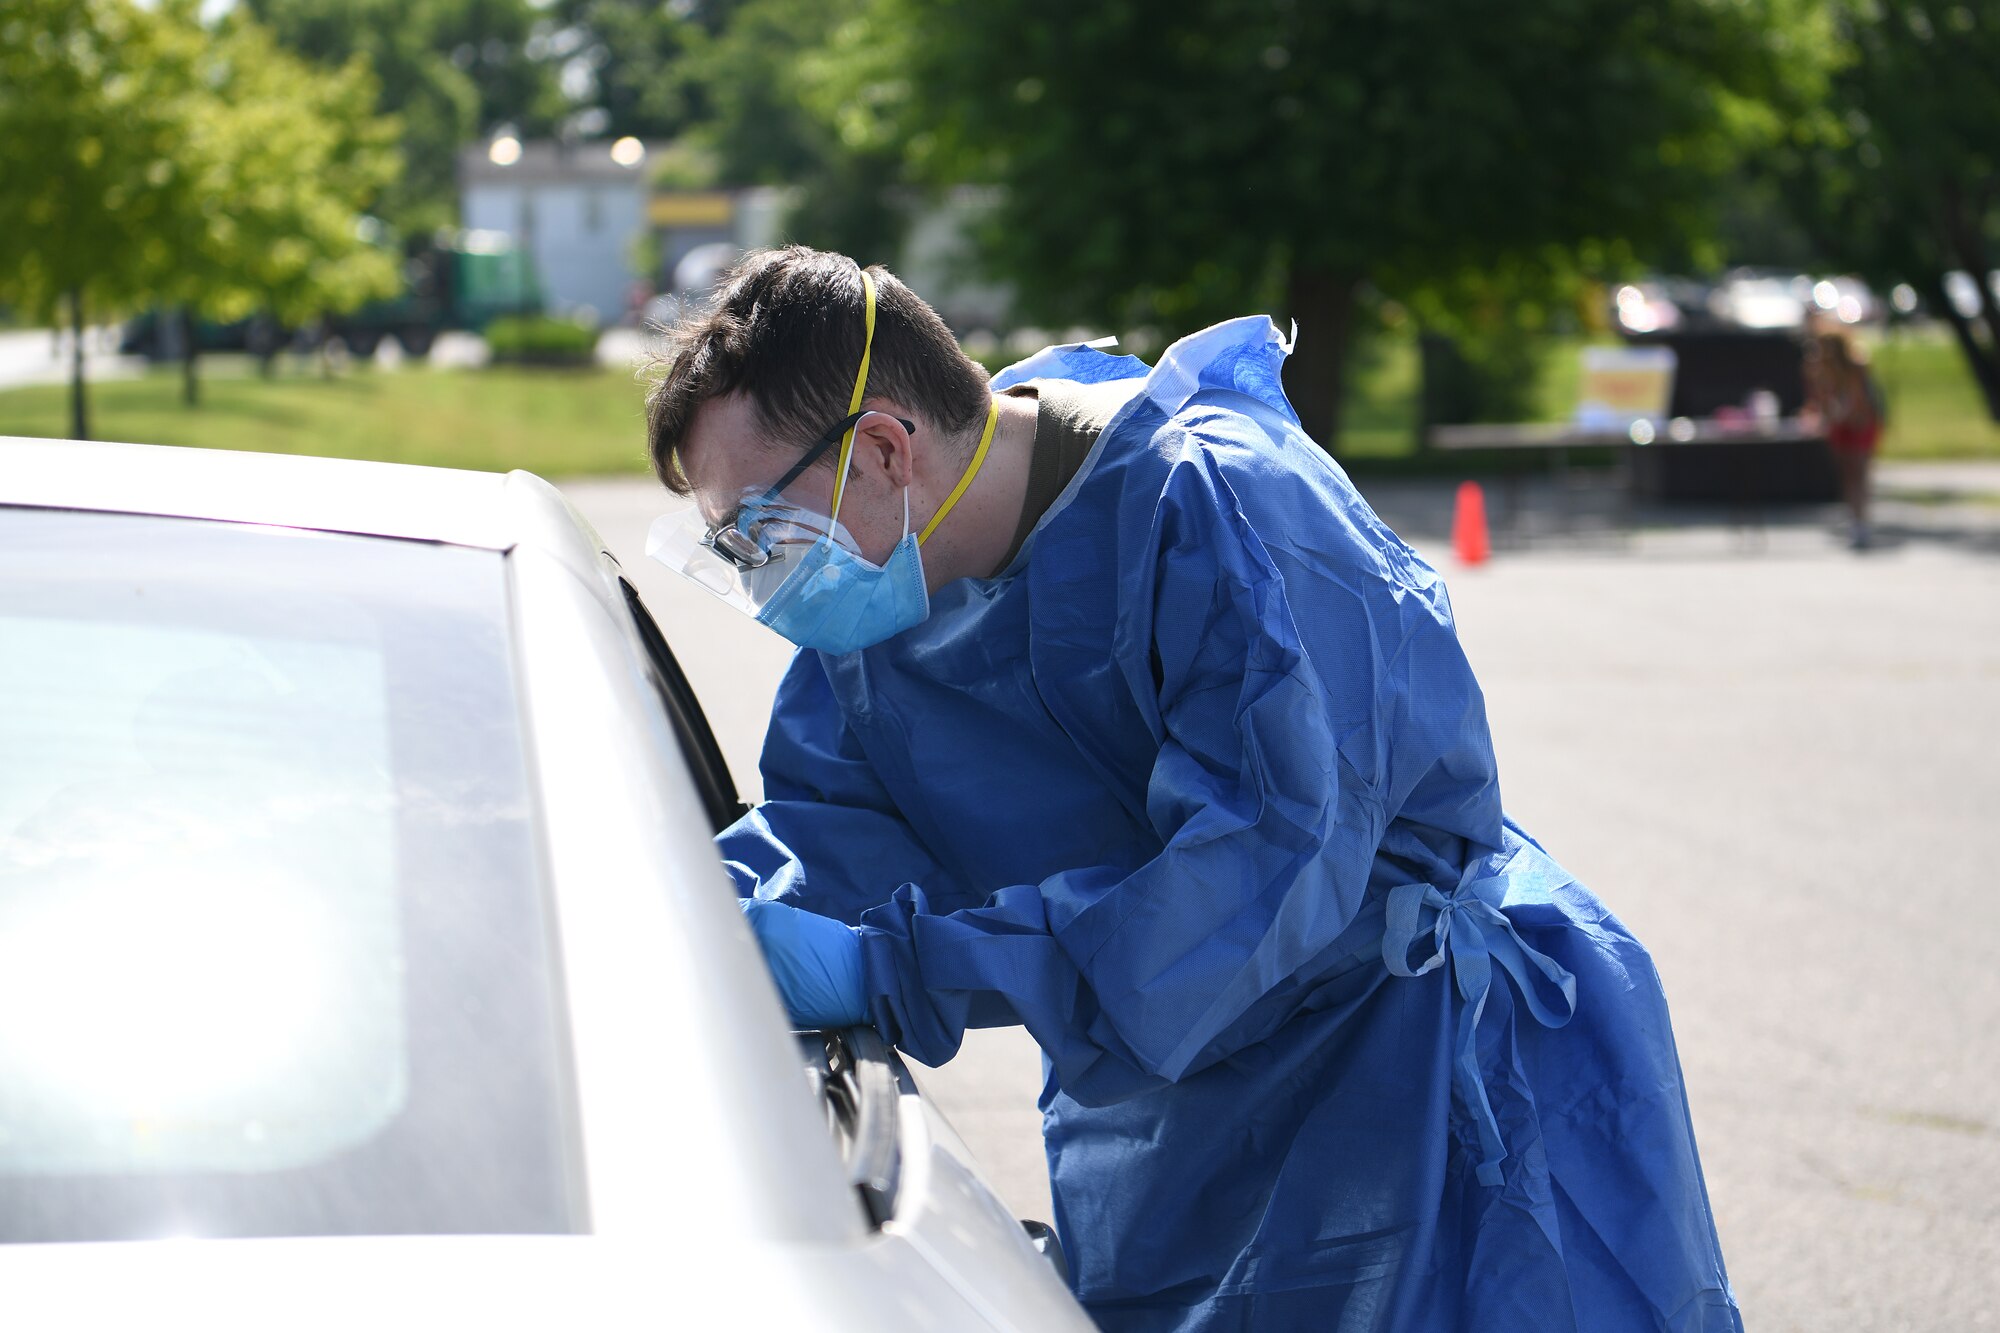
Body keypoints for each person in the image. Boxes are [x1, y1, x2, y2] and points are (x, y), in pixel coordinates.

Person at [643, 246, 1741, 1332]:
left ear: (883, 448)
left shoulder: (1219, 505)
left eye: (761, 532)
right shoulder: (891, 590)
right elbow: (830, 825)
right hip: (1179, 1121)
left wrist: (894, 965)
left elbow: (1253, 877)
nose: (759, 577)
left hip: (1413, 1080)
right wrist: (679, 908)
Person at [1803, 321, 1886, 549]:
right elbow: (1820, 403)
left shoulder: (1856, 365)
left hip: (1861, 422)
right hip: (1840, 425)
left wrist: (1835, 417)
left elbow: (1856, 401)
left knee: (1860, 471)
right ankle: (1854, 518)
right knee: (1846, 473)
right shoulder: (1819, 369)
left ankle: (1862, 521)